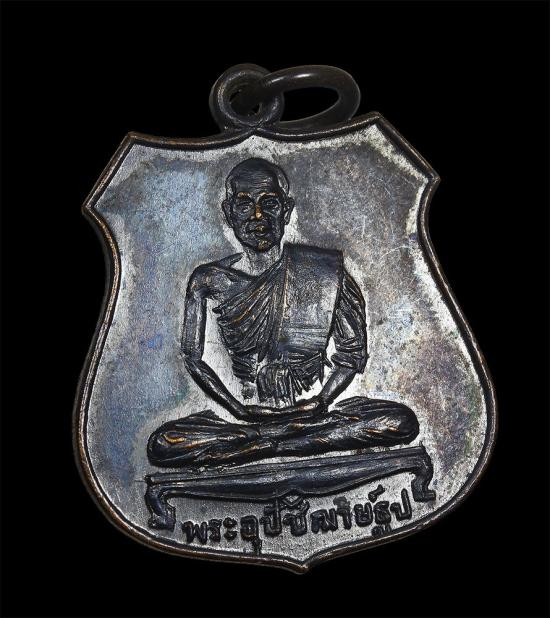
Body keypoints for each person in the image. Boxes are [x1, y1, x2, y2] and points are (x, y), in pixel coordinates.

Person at [148, 158, 419, 467]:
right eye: (244, 205)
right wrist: (238, 409)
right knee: (165, 443)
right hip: (245, 420)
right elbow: (193, 358)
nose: (258, 216)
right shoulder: (208, 280)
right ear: (228, 213)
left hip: (313, 417)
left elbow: (352, 353)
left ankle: (264, 446)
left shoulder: (324, 271)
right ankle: (284, 443)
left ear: (286, 210)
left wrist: (321, 401)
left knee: (399, 422)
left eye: (270, 204)